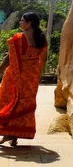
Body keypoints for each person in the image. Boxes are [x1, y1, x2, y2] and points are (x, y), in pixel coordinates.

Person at [0, 12, 48, 147]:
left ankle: (9, 134)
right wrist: (34, 74)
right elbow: (43, 61)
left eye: (22, 20)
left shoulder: (18, 38)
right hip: (30, 78)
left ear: (29, 23)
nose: (20, 22)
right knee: (22, 104)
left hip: (13, 76)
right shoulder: (41, 39)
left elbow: (8, 59)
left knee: (8, 101)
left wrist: (0, 70)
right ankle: (13, 135)